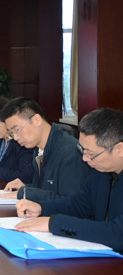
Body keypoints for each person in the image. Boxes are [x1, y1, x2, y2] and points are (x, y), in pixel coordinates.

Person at [14, 108, 123, 252]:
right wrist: (42, 208)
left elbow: (118, 235)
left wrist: (53, 223)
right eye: (82, 150)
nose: (84, 158)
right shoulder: (101, 172)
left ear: (119, 149)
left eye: (91, 154)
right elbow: (79, 204)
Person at [0, 97, 89, 201]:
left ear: (37, 120)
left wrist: (27, 193)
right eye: (12, 133)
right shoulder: (39, 150)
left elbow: (70, 202)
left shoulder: (70, 152)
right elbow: (47, 189)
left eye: (17, 130)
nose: (15, 137)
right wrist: (27, 187)